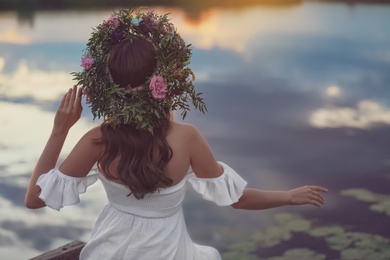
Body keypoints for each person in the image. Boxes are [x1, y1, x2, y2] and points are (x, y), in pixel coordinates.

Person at [24, 9, 327, 260]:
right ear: (165, 79)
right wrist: (288, 196)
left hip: (110, 251)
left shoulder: (99, 139)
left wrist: (59, 130)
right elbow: (237, 199)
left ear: (110, 84)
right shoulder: (187, 138)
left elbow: (34, 199)